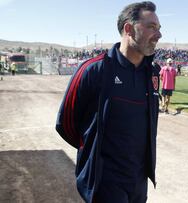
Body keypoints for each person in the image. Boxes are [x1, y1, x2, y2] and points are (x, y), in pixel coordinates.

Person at [56, 1, 162, 202]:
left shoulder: (152, 73)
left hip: (139, 182)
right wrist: (91, 152)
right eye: (151, 27)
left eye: (158, 28)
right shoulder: (94, 70)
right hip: (104, 182)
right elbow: (66, 124)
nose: (158, 35)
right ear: (129, 29)